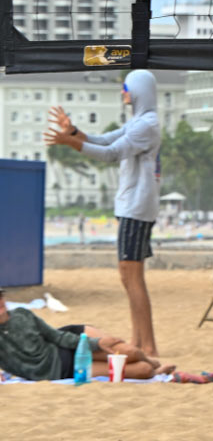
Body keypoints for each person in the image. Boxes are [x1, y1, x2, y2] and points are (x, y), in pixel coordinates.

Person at [45, 70, 162, 359]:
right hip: (132, 205)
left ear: (138, 91)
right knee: (129, 276)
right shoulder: (138, 122)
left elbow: (110, 153)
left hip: (136, 206)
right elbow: (101, 138)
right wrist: (73, 132)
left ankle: (147, 345)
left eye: (126, 88)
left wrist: (70, 143)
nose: (123, 93)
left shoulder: (146, 125)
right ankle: (139, 340)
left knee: (131, 276)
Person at [0, 288, 163, 381]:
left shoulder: (22, 314)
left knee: (131, 352)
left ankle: (155, 363)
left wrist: (95, 343)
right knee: (144, 371)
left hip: (68, 341)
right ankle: (158, 372)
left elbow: (57, 336)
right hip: (66, 369)